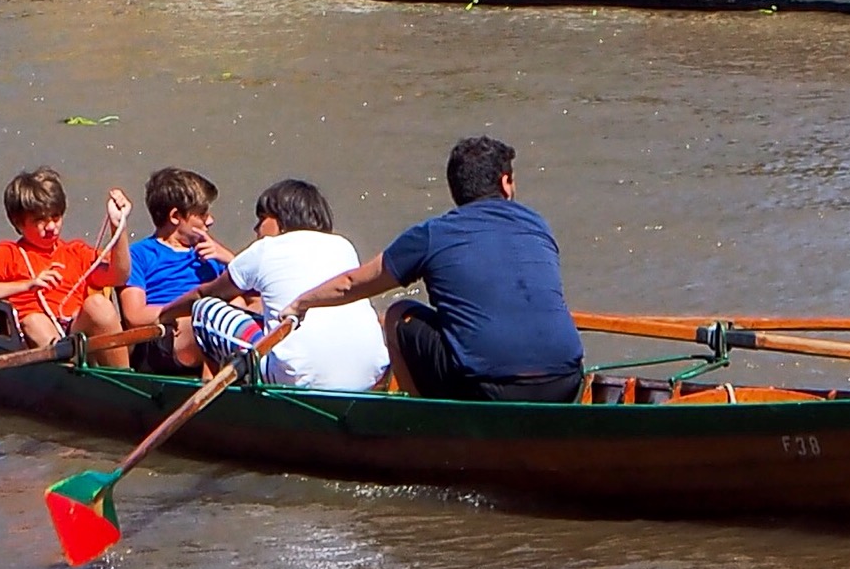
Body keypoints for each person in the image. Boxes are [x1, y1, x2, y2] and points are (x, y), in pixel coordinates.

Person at [285, 136, 584, 403]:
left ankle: (423, 421)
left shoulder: (433, 234)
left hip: (486, 389)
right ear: (505, 183)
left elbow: (352, 283)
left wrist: (302, 303)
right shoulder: (537, 225)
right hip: (566, 383)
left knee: (398, 315)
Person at [166, 178, 391, 392]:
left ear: (280, 220)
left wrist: (163, 315)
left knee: (204, 309)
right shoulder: (343, 246)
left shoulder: (266, 248)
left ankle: (223, 397)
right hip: (369, 376)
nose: (256, 229)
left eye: (262, 219)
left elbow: (205, 293)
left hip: (293, 378)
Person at [0, 167, 134, 352]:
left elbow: (119, 276)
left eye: (56, 217)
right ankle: (66, 366)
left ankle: (120, 369)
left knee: (99, 305)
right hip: (34, 337)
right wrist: (27, 285)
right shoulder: (8, 254)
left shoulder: (76, 252)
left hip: (75, 330)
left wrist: (118, 226)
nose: (51, 226)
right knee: (35, 322)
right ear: (18, 222)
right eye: (40, 220)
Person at [119, 165, 231, 372]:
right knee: (206, 319)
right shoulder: (140, 254)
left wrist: (229, 259)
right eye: (202, 214)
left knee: (248, 304)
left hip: (210, 328)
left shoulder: (212, 253)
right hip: (164, 337)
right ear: (175, 216)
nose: (210, 221)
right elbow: (134, 316)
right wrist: (179, 311)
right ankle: (213, 388)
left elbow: (253, 291)